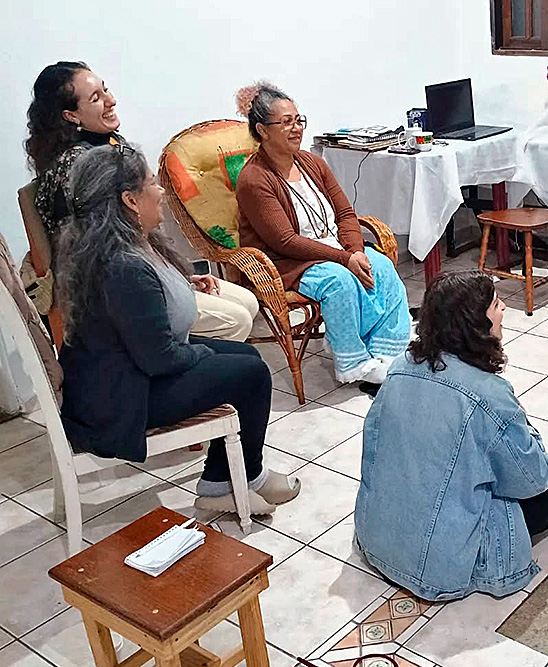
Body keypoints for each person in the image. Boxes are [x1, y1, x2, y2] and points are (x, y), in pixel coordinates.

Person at [57, 145, 300, 514]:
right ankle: (231, 482)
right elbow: (161, 359)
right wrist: (203, 352)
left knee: (247, 356)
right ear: (130, 200)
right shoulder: (123, 267)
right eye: (152, 183)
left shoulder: (126, 245)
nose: (160, 191)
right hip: (121, 401)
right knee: (249, 372)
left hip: (128, 373)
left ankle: (230, 478)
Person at [355, 270, 548, 601]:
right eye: (497, 304)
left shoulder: (400, 367)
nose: (504, 310)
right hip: (438, 565)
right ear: (476, 323)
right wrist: (521, 425)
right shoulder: (489, 393)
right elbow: (533, 479)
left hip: (375, 539)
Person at [25, 61, 258, 341]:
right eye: (96, 98)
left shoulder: (111, 144)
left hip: (143, 266)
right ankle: (179, 369)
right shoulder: (76, 165)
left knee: (247, 301)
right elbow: (106, 252)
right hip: (114, 290)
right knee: (235, 319)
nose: (111, 101)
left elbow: (141, 232)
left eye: (106, 90)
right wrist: (173, 283)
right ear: (70, 115)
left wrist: (180, 275)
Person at [235, 83, 410, 388]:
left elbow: (345, 214)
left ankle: (387, 351)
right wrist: (345, 259)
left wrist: (355, 251)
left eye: (299, 119)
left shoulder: (312, 162)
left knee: (381, 266)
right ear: (262, 130)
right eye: (286, 122)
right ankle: (352, 361)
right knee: (339, 281)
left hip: (334, 249)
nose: (296, 128)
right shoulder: (254, 179)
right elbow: (285, 241)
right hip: (290, 261)